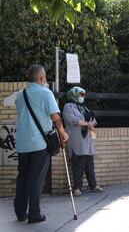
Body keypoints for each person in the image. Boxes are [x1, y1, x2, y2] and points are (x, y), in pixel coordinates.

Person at [14, 65, 68, 224]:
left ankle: (20, 212)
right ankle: (34, 214)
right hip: (39, 144)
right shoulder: (46, 93)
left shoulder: (20, 95)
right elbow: (55, 117)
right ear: (41, 78)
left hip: (22, 143)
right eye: (44, 78)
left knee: (22, 178)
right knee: (36, 179)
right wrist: (63, 134)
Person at [62, 86, 105, 197]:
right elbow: (72, 120)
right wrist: (87, 124)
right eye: (81, 94)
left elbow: (94, 120)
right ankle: (77, 188)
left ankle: (93, 185)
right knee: (78, 164)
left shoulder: (84, 108)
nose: (83, 97)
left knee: (89, 164)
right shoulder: (68, 107)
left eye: (83, 95)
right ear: (74, 95)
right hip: (77, 140)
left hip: (87, 140)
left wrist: (90, 123)